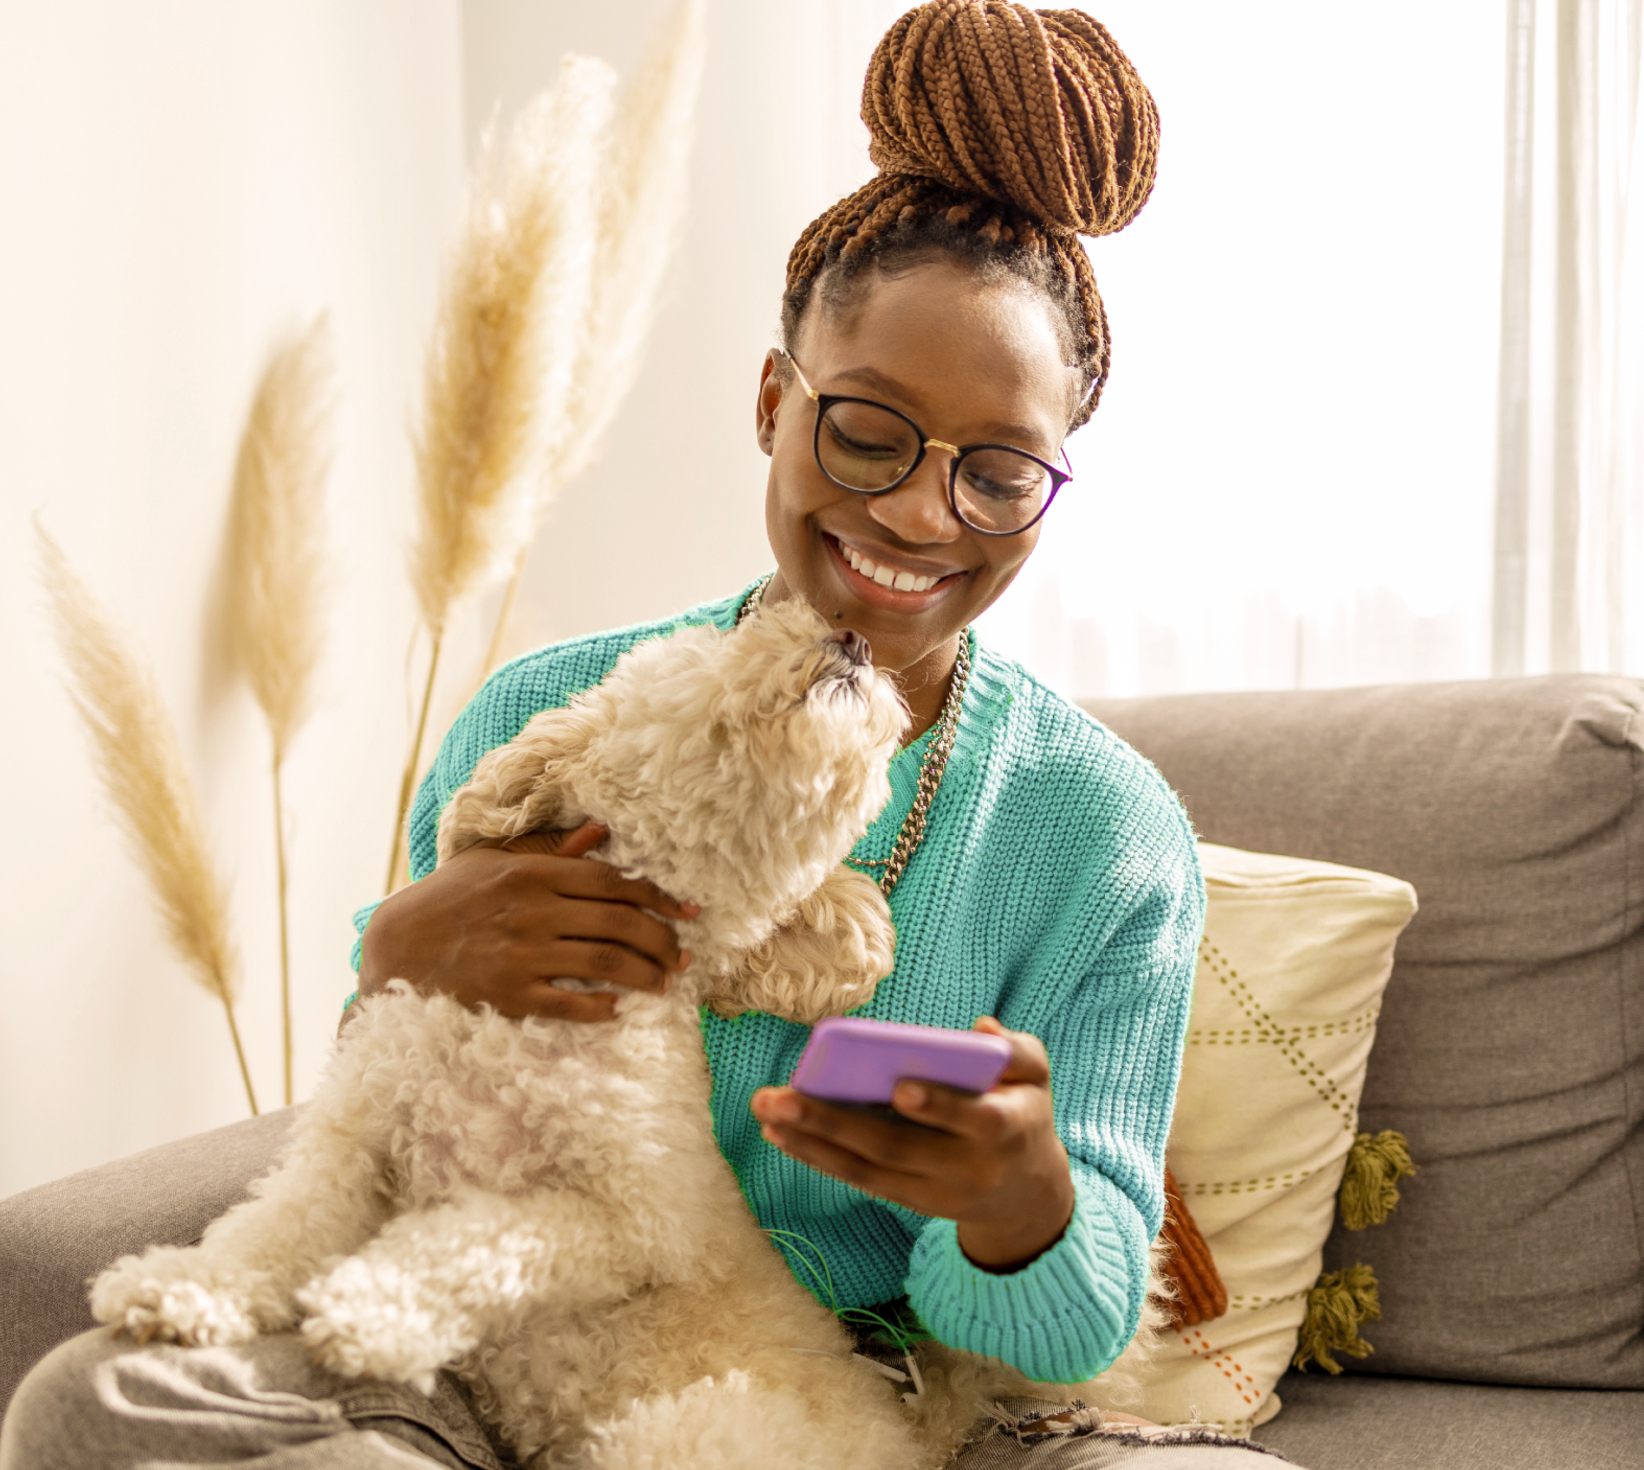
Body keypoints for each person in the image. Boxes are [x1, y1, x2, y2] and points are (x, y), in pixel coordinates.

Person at [0, 3, 1300, 1466]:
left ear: (1050, 484)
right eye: (867, 429)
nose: (921, 513)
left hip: (886, 1400)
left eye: (997, 473)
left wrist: (1017, 1210)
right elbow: (415, 1107)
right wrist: (393, 953)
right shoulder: (547, 714)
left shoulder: (1104, 832)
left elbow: (1065, 1329)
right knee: (93, 1401)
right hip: (514, 1355)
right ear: (773, 401)